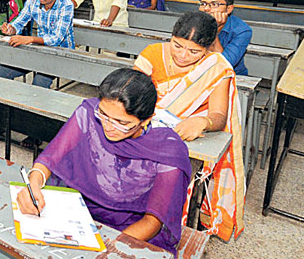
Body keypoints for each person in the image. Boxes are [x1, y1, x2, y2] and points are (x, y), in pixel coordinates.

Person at [16, 68, 191, 256]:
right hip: (78, 212)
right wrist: (33, 184)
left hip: (132, 228)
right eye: (104, 115)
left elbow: (153, 221)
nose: (108, 127)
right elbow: (51, 157)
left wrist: (111, 247)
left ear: (146, 120)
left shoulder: (167, 150)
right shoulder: (89, 114)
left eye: (121, 123)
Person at [134, 10, 245, 241]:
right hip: (142, 132)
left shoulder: (215, 67)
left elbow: (219, 114)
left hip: (180, 141)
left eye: (194, 51)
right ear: (171, 36)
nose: (183, 55)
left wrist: (203, 121)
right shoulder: (152, 54)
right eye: (177, 45)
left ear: (207, 49)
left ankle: (162, 227)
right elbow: (133, 96)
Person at [0, 0, 74, 89]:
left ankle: (33, 106)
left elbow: (57, 38)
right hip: (39, 49)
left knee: (39, 82)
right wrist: (11, 29)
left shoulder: (66, 5)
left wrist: (30, 39)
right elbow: (20, 20)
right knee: (2, 71)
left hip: (60, 53)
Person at [197, 0, 252, 75]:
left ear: (229, 9)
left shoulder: (242, 31)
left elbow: (224, 65)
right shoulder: (193, 21)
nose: (206, 8)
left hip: (230, 76)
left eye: (214, 4)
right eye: (203, 4)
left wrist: (212, 29)